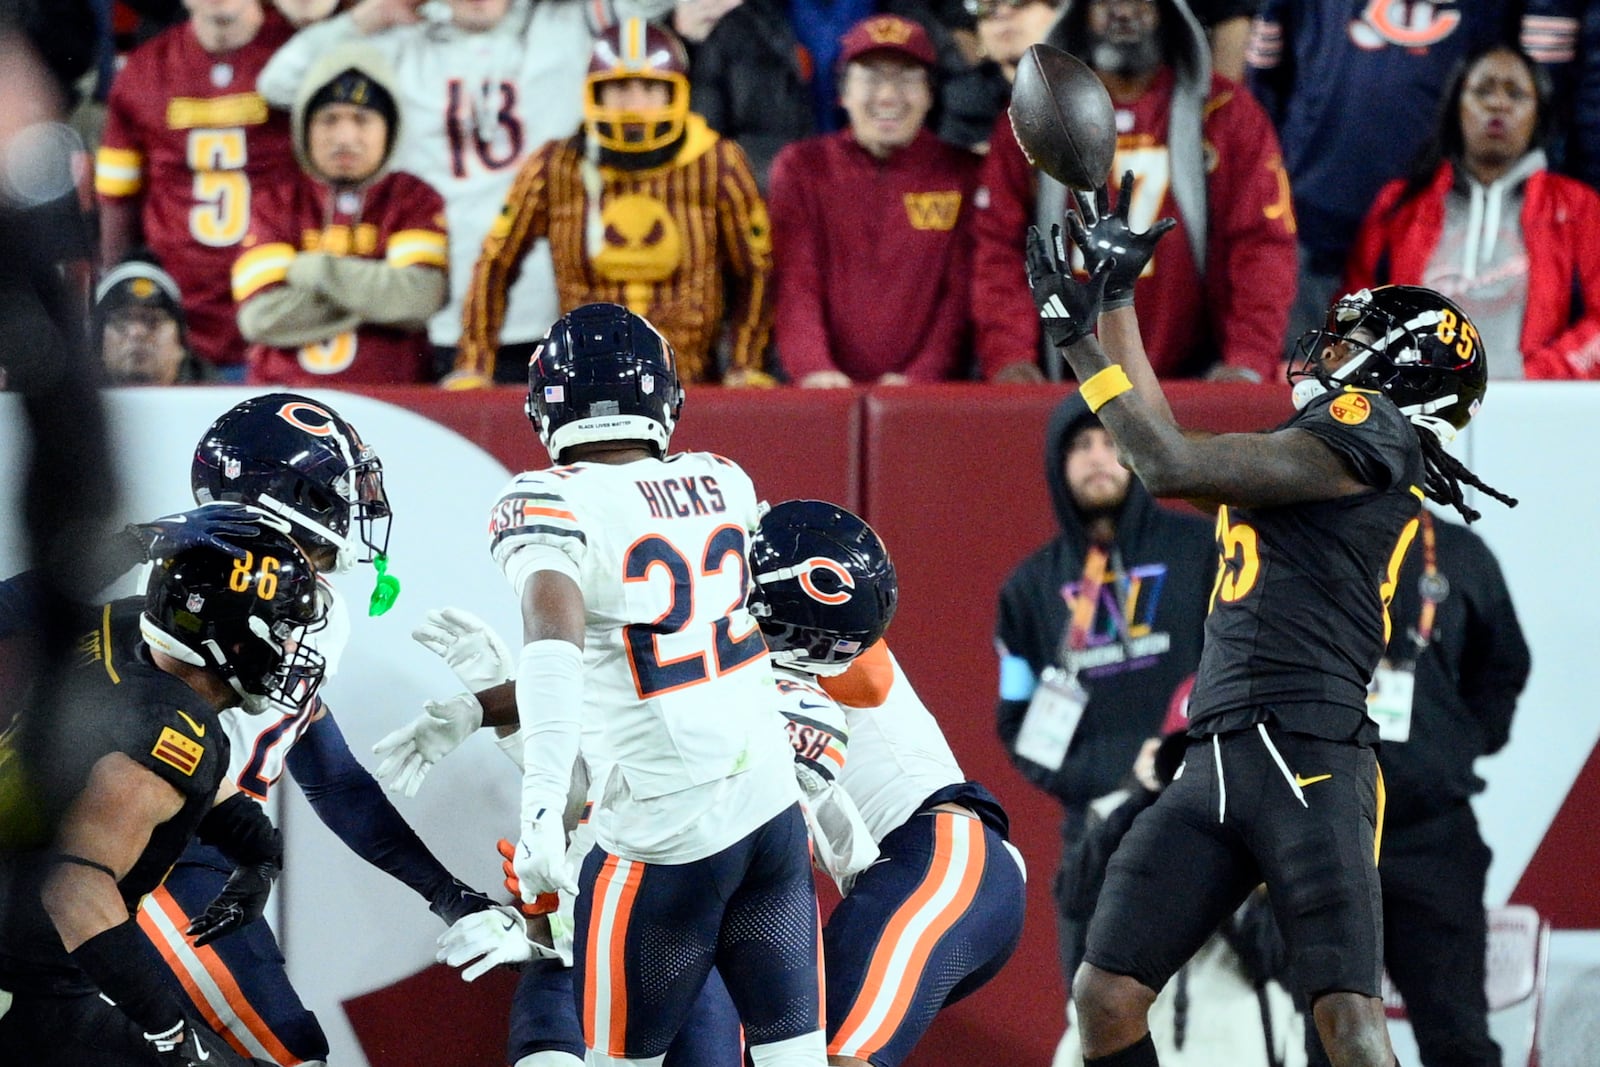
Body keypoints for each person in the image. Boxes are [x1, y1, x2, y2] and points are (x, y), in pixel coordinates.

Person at [1021, 172, 1514, 1067]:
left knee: (1350, 1026)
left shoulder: (1371, 426)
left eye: (1361, 334)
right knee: (1106, 993)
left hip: (1309, 751)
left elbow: (1165, 465)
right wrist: (1120, 304)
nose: (1336, 343)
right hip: (1217, 748)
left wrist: (1080, 346)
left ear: (1401, 369)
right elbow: (1159, 432)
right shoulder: (1332, 440)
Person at [488, 301, 821, 1065]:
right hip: (769, 809)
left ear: (545, 403)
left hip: (667, 837)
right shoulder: (724, 480)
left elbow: (553, 638)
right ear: (663, 396)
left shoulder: (546, 497)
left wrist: (542, 798)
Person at [129, 393, 499, 1067]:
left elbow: (330, 773)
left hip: (196, 855)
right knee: (291, 1054)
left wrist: (447, 892)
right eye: (336, 491)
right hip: (143, 854)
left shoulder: (287, 597)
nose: (353, 509)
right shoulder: (205, 586)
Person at [0, 512, 326, 1067]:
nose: (290, 646)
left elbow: (164, 777)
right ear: (231, 632)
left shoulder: (127, 637)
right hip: (28, 976)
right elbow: (75, 889)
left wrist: (259, 852)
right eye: (282, 627)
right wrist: (169, 1030)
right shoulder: (171, 723)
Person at [257, 0, 676, 385]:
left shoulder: (564, 26)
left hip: (554, 305)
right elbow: (280, 82)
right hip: (442, 313)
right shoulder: (402, 44)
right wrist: (369, 16)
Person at [750, 499, 1028, 1067]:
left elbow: (867, 680)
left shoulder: (809, 626)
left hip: (940, 858)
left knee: (836, 1059)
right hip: (902, 871)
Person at [994, 390, 1214, 983]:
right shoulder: (1027, 591)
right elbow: (1018, 724)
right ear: (1057, 465)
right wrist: (1114, 775)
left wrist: (1185, 764)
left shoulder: (1202, 550)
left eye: (1113, 443)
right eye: (1081, 446)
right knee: (1101, 1024)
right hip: (1096, 837)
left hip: (1206, 824)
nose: (1098, 458)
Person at [1306, 509, 1530, 1067]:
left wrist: (1456, 744)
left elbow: (1503, 664)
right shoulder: (1300, 543)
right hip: (1320, 832)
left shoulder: (1457, 552)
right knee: (1323, 1043)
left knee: (1458, 1037)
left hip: (1431, 837)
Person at [973, 0, 1296, 383]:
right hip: (1063, 384)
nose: (1122, 12)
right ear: (1079, 14)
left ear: (1168, 12)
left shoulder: (1227, 113)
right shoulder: (1031, 118)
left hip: (1195, 377)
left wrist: (1248, 358)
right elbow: (1000, 248)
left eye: (1140, 1)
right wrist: (1010, 356)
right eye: (1104, 2)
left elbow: (1262, 246)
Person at [454, 19, 775, 388]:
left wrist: (745, 363)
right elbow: (495, 261)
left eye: (651, 88)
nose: (635, 105)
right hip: (584, 385)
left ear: (676, 94)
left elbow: (756, 269)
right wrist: (473, 364)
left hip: (692, 382)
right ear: (595, 94)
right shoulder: (554, 166)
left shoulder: (718, 163)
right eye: (619, 88)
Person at [1245, 0, 1520, 361]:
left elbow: (1511, 79)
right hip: (1311, 223)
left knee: (1419, 390)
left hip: (1429, 229)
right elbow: (1262, 85)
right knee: (1305, 387)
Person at [1345, 42, 1600, 381]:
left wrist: (1531, 375)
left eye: (1516, 94)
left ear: (1539, 112)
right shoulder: (1399, 204)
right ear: (1456, 106)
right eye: (1483, 91)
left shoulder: (1578, 207)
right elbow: (1357, 314)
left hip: (1535, 409)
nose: (1498, 104)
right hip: (1413, 407)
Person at [768, 14, 981, 386]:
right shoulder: (802, 167)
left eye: (906, 78)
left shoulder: (962, 173)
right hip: (818, 389)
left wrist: (921, 377)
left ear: (930, 93)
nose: (887, 95)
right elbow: (795, 282)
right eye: (871, 77)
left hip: (927, 398)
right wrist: (814, 369)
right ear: (843, 93)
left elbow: (958, 298)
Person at [95, 0, 299, 378]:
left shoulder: (300, 56)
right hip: (177, 331)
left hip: (282, 325)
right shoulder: (144, 69)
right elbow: (116, 202)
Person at [233, 44, 449, 384]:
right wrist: (377, 300)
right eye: (329, 120)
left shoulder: (414, 199)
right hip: (280, 404)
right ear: (305, 126)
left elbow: (417, 298)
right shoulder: (274, 201)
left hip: (399, 408)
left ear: (390, 129)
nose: (345, 137)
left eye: (362, 120)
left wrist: (316, 270)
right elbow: (260, 316)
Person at [95, 256, 208, 385]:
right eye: (121, 320)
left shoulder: (219, 400)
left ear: (181, 342)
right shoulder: (69, 401)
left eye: (153, 320)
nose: (136, 332)